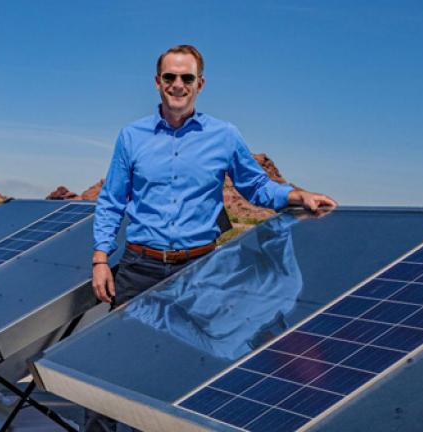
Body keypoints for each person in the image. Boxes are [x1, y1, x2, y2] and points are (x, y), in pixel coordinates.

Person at [86, 45, 336, 430]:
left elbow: (256, 187)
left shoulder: (224, 136)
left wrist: (296, 196)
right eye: (170, 77)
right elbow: (111, 201)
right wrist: (101, 258)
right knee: (111, 368)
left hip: (200, 273)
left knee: (177, 375)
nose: (178, 84)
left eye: (187, 78)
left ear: (200, 84)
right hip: (138, 268)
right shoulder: (131, 136)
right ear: (157, 82)